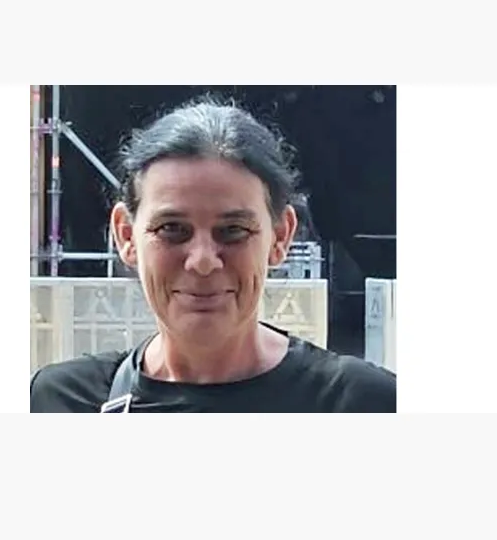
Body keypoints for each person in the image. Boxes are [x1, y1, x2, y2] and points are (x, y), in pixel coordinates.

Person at [30, 96, 396, 413]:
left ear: (280, 236)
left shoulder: (366, 404)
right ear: (126, 235)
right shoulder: (59, 402)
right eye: (172, 229)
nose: (203, 261)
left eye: (233, 230)